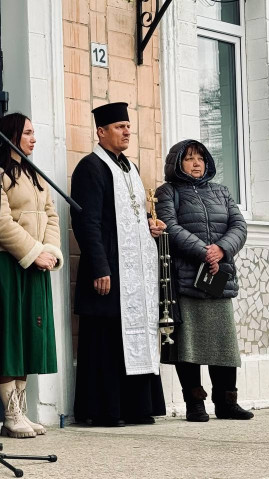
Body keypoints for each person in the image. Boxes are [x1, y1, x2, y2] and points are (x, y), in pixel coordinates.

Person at [71, 102, 166, 427]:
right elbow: (86, 222)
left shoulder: (130, 168)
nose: (127, 131)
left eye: (128, 126)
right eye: (119, 127)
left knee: (134, 336)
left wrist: (150, 226)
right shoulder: (90, 167)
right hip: (109, 269)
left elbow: (136, 214)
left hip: (135, 272)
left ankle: (136, 407)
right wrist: (100, 267)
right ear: (101, 132)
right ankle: (105, 410)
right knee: (106, 341)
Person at [0, 112, 63, 438]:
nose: (33, 138)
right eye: (27, 133)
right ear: (10, 135)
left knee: (27, 338)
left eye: (34, 132)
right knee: (8, 337)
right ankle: (10, 415)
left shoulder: (36, 175)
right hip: (6, 263)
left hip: (36, 264)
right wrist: (33, 252)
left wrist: (49, 252)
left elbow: (51, 215)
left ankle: (20, 411)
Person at [155, 139, 253, 422]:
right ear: (177, 164)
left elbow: (239, 225)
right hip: (186, 278)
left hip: (218, 277)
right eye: (189, 158)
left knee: (224, 344)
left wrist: (221, 249)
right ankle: (194, 404)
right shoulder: (168, 192)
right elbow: (169, 227)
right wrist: (203, 251)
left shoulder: (222, 192)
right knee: (189, 346)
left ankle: (227, 403)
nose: (196, 163)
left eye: (200, 158)